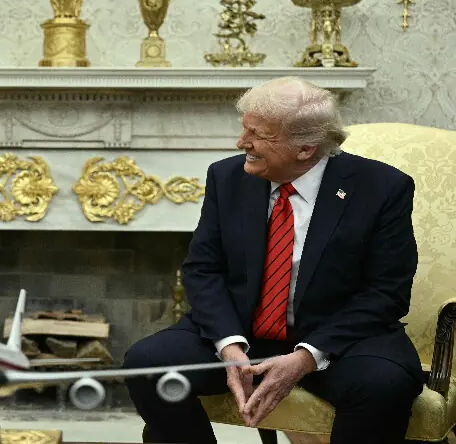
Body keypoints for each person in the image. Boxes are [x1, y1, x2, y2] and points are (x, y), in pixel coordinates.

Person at [123, 76, 424, 444]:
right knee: (147, 363)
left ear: (305, 148)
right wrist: (229, 345)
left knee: (385, 385)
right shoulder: (227, 176)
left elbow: (386, 291)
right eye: (244, 128)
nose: (241, 143)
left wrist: (307, 356)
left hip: (339, 337)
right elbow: (203, 269)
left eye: (259, 135)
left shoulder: (382, 188)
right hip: (243, 331)